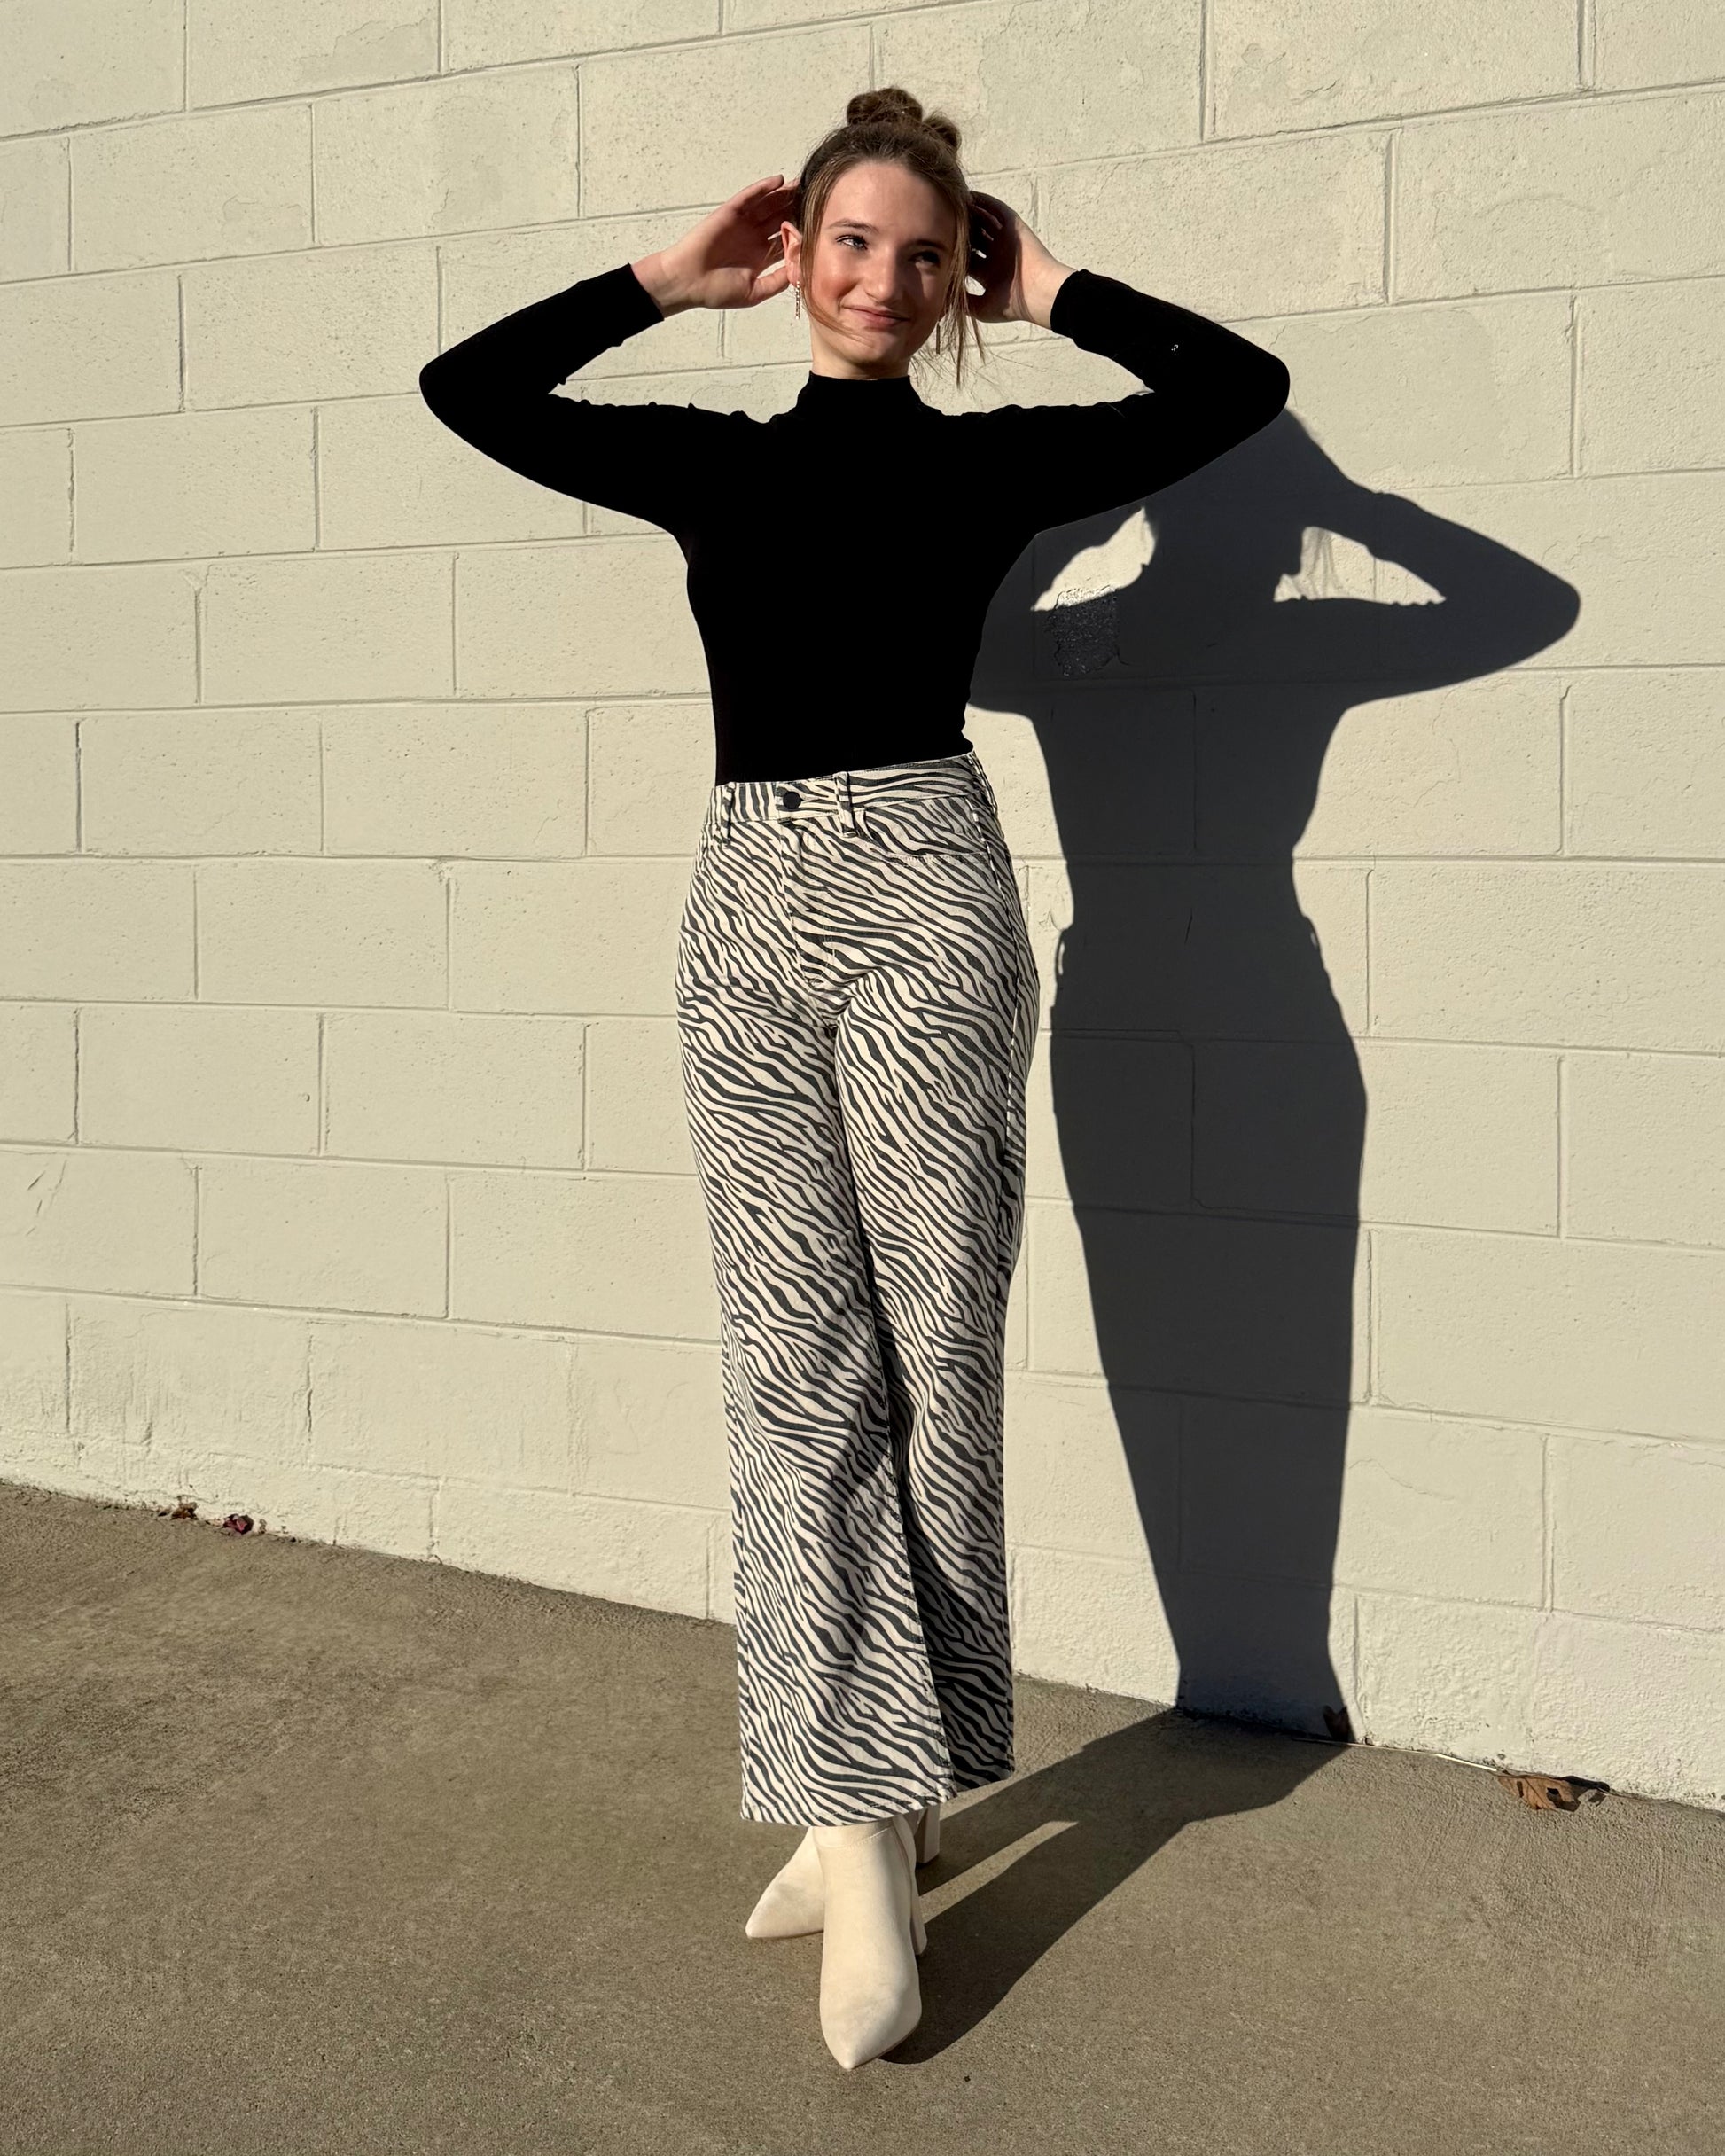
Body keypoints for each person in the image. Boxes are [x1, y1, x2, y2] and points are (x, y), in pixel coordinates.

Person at [419, 83, 1289, 2070]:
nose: (883, 280)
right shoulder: (713, 464)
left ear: (954, 273)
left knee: (930, 1359)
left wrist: (1054, 288)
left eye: (923, 251)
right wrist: (662, 279)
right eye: (849, 242)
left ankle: (890, 1812)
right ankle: (851, 1802)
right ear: (795, 254)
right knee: (793, 1371)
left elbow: (1237, 386)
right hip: (743, 906)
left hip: (924, 894)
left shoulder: (991, 468)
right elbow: (468, 388)